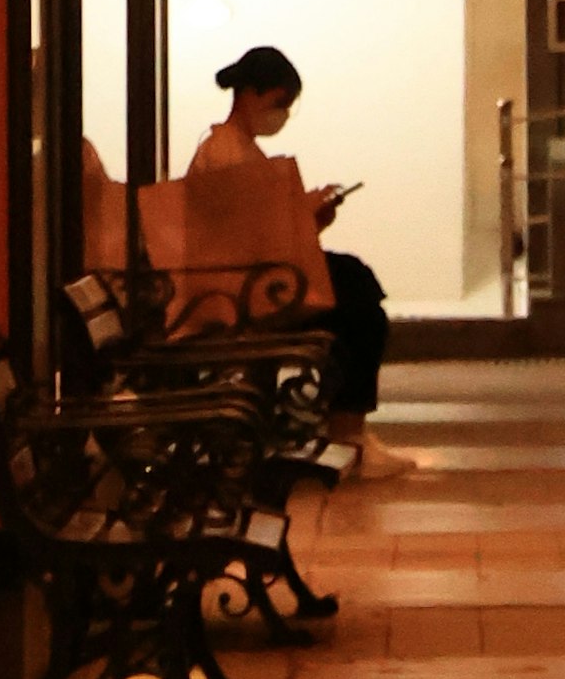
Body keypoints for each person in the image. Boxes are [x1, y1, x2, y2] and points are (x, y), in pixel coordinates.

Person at [146, 44, 426, 481]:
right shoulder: (225, 154)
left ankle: (350, 431)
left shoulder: (236, 149)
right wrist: (302, 215)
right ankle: (348, 432)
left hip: (250, 281)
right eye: (279, 103)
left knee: (354, 289)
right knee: (358, 308)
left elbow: (257, 233)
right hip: (238, 292)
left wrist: (305, 217)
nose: (282, 115)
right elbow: (248, 238)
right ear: (252, 94)